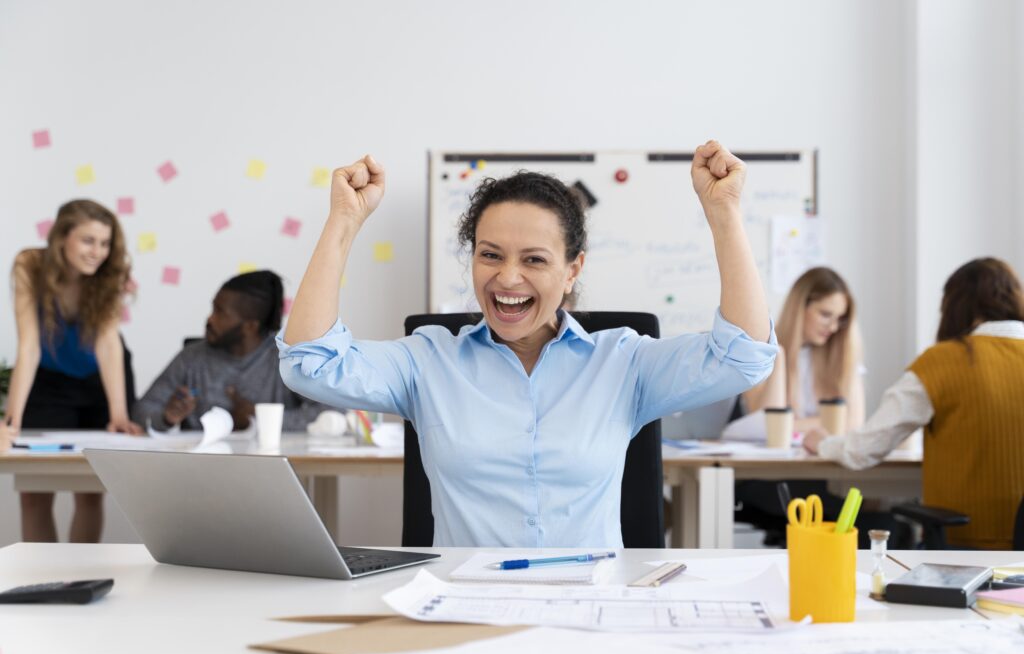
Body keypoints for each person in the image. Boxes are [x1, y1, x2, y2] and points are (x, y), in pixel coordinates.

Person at [277, 142, 777, 548]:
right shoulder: (427, 360)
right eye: (490, 255)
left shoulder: (623, 362)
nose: (507, 278)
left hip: (590, 612)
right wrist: (344, 221)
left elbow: (743, 358)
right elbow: (308, 363)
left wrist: (724, 215)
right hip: (466, 611)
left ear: (572, 270)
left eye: (534, 260)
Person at [805, 257, 1024, 550]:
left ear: (955, 306)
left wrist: (823, 442)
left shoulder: (944, 362)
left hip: (968, 546)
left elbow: (863, 450)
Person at [5, 199, 141, 543]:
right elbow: (29, 347)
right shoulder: (28, 265)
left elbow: (109, 345)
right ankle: (41, 582)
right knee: (34, 491)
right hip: (48, 381)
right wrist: (11, 425)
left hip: (99, 381)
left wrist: (119, 413)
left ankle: (79, 579)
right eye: (88, 241)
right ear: (61, 237)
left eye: (105, 243)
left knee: (90, 489)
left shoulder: (110, 274)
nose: (98, 252)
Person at [133, 270, 326, 432]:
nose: (210, 319)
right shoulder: (192, 357)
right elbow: (141, 411)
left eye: (220, 312)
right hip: (200, 469)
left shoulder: (286, 359)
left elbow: (331, 413)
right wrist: (167, 417)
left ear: (250, 326)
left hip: (268, 468)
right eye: (213, 308)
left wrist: (259, 419)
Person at [728, 266, 865, 436]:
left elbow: (852, 423)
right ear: (800, 307)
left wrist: (793, 425)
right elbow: (767, 423)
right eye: (825, 314)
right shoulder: (762, 353)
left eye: (840, 318)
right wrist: (778, 355)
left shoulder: (843, 355)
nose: (834, 327)